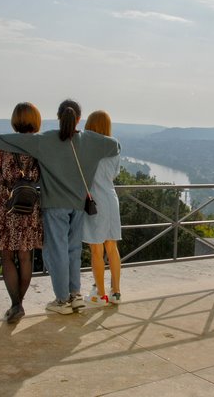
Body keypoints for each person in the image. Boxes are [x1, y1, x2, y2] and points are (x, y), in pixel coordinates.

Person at [0, 99, 120, 314]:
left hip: (55, 205)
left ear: (58, 117)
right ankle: (75, 295)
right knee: (74, 251)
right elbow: (115, 145)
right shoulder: (89, 140)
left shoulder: (47, 139)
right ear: (78, 119)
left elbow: (19, 140)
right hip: (79, 205)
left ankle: (62, 300)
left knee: (57, 252)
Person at [0, 102, 43, 323]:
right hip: (30, 207)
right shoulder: (41, 146)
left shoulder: (3, 147)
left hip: (6, 206)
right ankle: (18, 305)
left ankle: (15, 305)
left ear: (15, 120)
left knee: (6, 256)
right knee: (25, 256)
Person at [81, 110, 122, 306]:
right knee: (112, 248)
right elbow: (114, 174)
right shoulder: (114, 147)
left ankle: (101, 295)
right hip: (111, 199)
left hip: (94, 202)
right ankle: (116, 293)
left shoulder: (86, 148)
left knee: (96, 250)